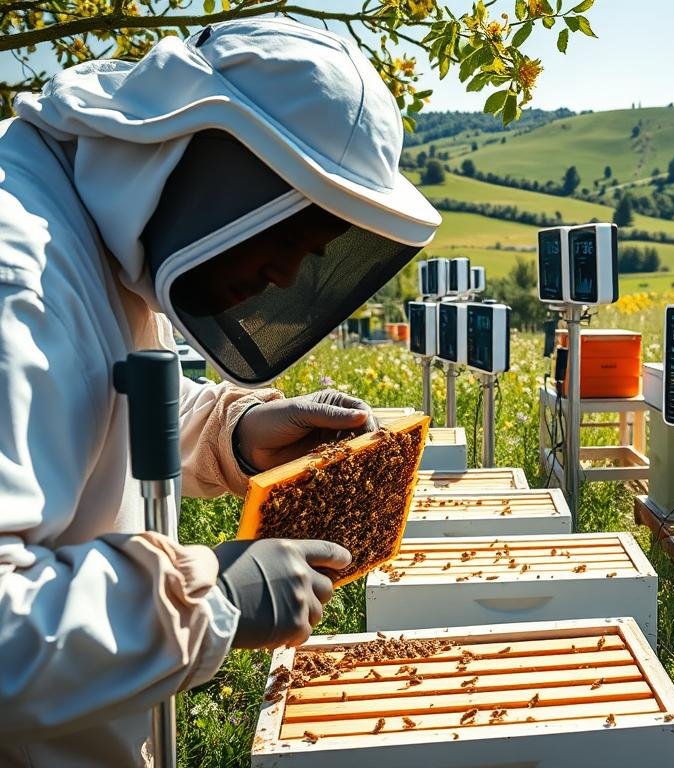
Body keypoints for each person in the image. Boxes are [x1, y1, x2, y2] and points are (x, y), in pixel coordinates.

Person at [0, 18, 440, 766]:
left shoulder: (93, 234)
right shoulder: (20, 281)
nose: (282, 276)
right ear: (222, 163)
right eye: (288, 233)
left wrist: (234, 432)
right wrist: (209, 596)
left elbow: (91, 407)